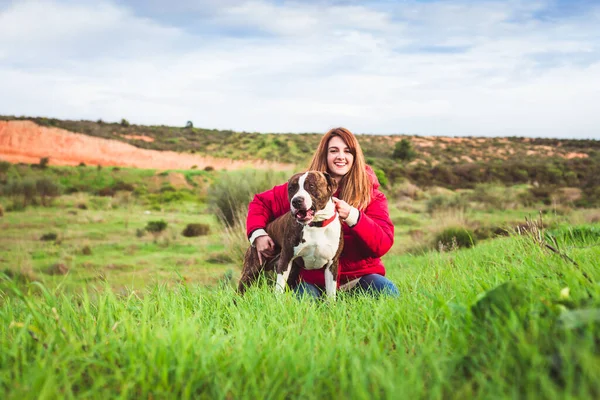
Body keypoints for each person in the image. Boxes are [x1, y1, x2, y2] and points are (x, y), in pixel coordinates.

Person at [246, 127, 399, 298]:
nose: (340, 156)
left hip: (359, 277)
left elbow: (382, 244)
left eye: (347, 151)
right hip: (312, 280)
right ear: (324, 154)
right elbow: (260, 202)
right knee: (302, 307)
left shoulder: (371, 196)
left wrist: (353, 216)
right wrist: (257, 234)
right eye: (334, 151)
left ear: (355, 157)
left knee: (389, 294)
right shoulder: (302, 187)